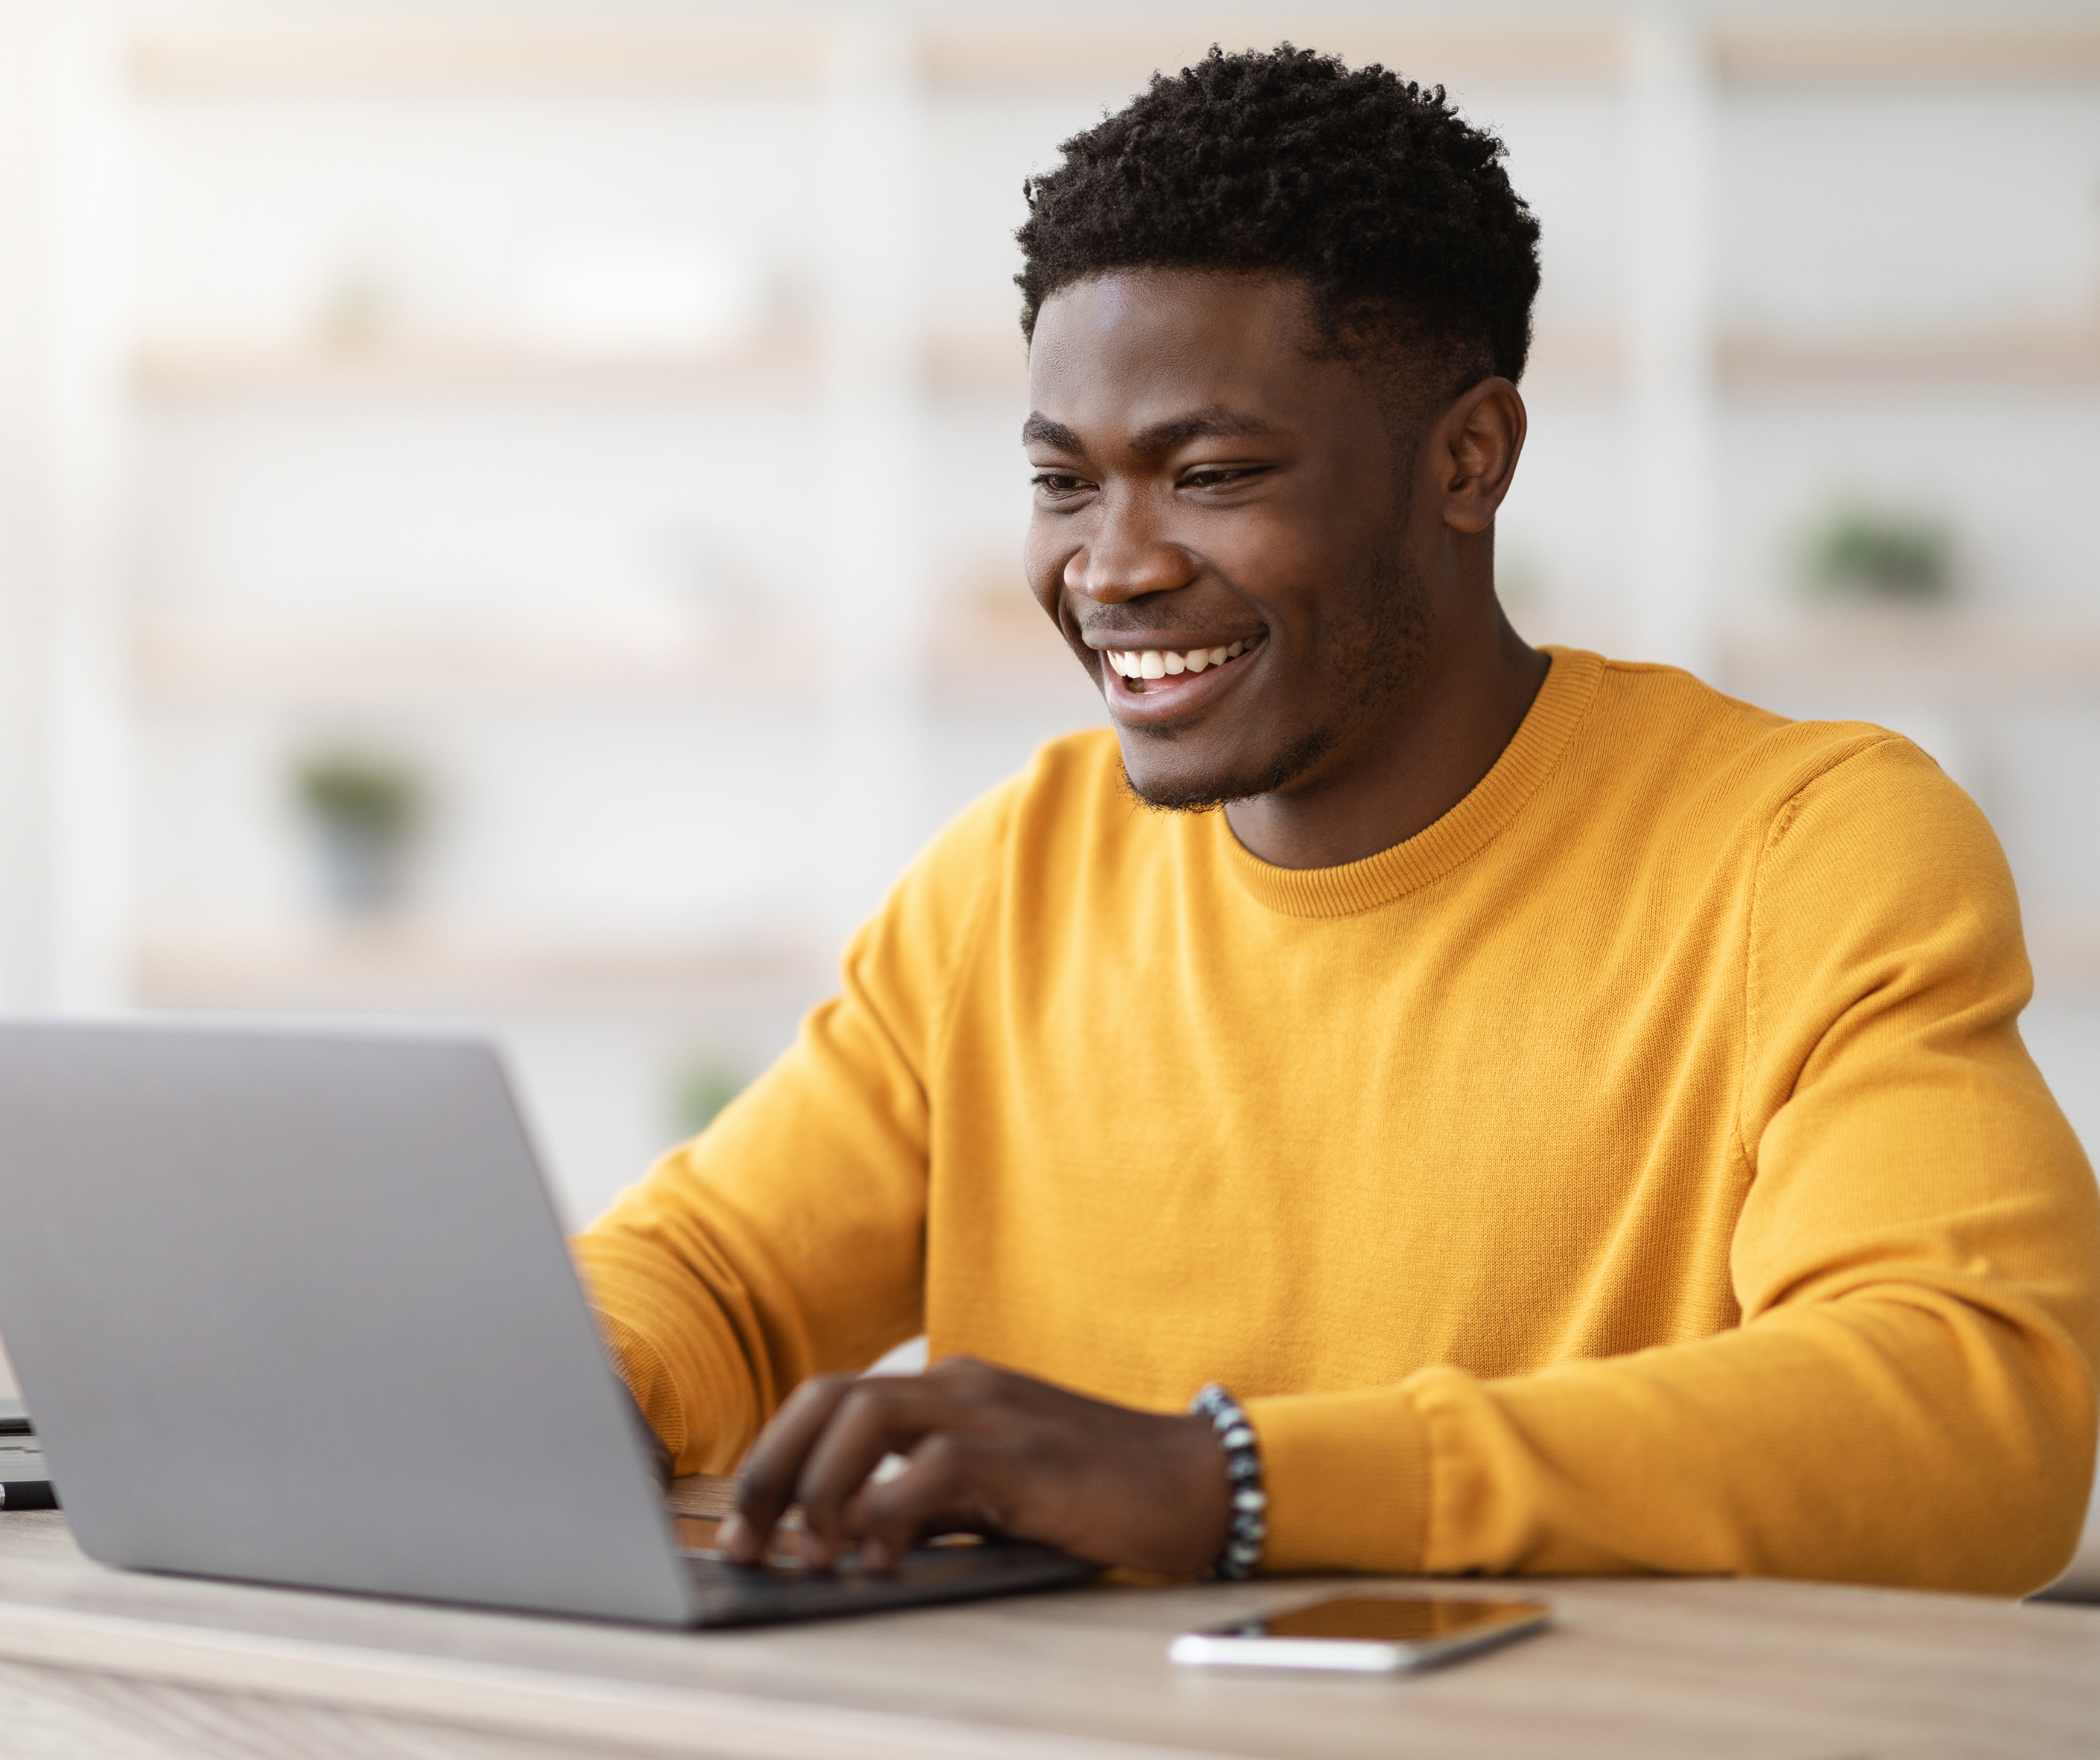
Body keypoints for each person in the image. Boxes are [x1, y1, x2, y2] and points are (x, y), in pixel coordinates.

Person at [575, 46, 2099, 1595]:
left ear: (1466, 458)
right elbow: (707, 1277)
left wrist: (1227, 1482)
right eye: (1063, 483)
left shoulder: (1805, 849)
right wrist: (569, 1386)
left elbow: (1972, 1416)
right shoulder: (1015, 875)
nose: (1109, 567)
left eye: (1211, 473)